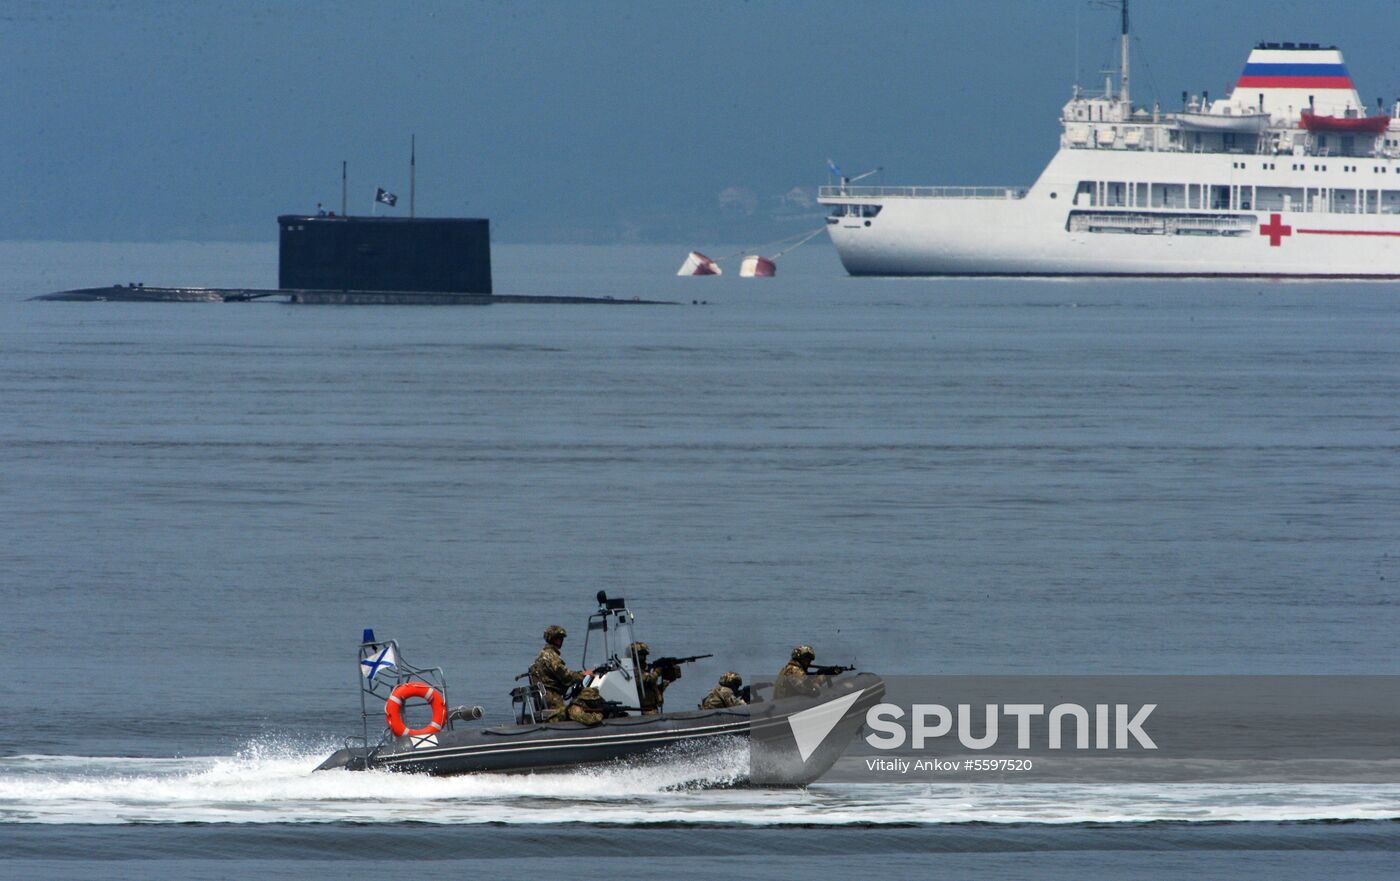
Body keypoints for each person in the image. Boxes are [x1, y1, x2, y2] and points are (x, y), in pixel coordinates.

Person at [529, 625, 591, 722]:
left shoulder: (541, 656)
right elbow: (567, 677)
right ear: (554, 639)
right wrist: (585, 675)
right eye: (559, 638)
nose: (562, 640)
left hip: (544, 699)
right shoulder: (551, 656)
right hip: (553, 700)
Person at [630, 641, 682, 715]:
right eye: (641, 655)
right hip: (643, 710)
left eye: (644, 655)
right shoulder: (632, 671)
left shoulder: (647, 668)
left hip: (652, 708)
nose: (644, 658)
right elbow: (644, 681)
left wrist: (666, 681)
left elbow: (651, 688)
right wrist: (657, 672)